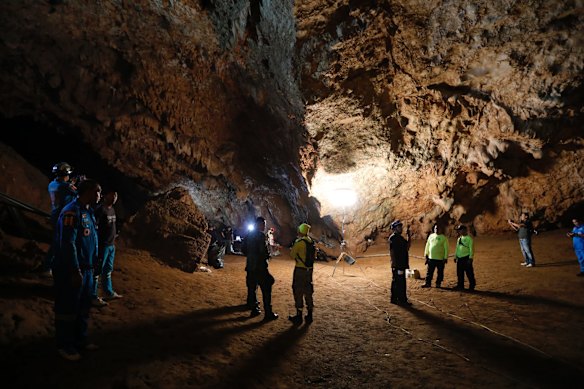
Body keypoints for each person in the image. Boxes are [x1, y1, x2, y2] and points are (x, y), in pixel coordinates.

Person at [53, 179, 101, 361]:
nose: (99, 195)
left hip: (87, 268)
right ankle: (64, 345)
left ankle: (80, 340)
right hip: (72, 269)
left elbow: (91, 240)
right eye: (97, 191)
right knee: (67, 308)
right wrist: (74, 269)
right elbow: (68, 243)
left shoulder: (88, 212)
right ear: (87, 191)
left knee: (83, 307)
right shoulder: (71, 212)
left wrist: (94, 262)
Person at [241, 217, 278, 321]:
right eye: (263, 224)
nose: (264, 226)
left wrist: (250, 256)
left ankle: (254, 309)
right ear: (260, 224)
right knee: (267, 287)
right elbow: (263, 252)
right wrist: (268, 256)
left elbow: (243, 249)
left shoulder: (249, 234)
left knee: (252, 288)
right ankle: (268, 313)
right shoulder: (260, 236)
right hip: (260, 267)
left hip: (250, 266)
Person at [44, 162, 77, 272]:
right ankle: (50, 266)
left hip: (55, 215)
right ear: (65, 174)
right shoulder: (66, 186)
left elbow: (64, 189)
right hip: (63, 217)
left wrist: (70, 183)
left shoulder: (52, 184)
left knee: (57, 241)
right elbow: (78, 193)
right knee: (62, 243)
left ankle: (50, 265)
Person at [91, 190, 122, 307]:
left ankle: (108, 292)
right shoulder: (100, 210)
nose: (114, 197)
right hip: (103, 245)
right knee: (97, 271)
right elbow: (95, 227)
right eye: (112, 194)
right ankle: (92, 296)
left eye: (116, 195)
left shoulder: (112, 209)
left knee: (108, 269)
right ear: (105, 195)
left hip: (111, 245)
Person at [288, 223, 315, 324]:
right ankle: (310, 314)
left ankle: (299, 316)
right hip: (309, 270)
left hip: (300, 269)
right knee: (308, 291)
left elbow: (292, 255)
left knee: (298, 290)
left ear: (300, 231)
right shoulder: (311, 242)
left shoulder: (299, 243)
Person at [388, 220, 411, 306]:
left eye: (401, 226)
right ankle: (397, 299)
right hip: (398, 265)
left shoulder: (400, 238)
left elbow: (407, 246)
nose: (401, 228)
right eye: (398, 227)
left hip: (402, 264)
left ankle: (399, 299)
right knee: (398, 282)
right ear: (394, 229)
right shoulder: (393, 238)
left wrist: (409, 235)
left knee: (401, 282)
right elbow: (393, 252)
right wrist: (395, 264)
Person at [422, 224, 449, 288]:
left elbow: (446, 248)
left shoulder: (443, 238)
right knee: (429, 272)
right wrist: (426, 254)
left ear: (441, 229)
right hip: (431, 258)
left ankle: (438, 283)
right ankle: (427, 283)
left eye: (438, 228)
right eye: (435, 228)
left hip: (440, 259)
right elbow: (427, 245)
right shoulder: (431, 236)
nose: (436, 230)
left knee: (440, 272)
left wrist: (445, 257)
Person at [454, 225, 476, 291]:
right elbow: (457, 248)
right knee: (460, 273)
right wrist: (456, 256)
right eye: (459, 230)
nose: (460, 231)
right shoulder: (459, 239)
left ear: (465, 230)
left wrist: (470, 258)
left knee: (469, 273)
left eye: (461, 230)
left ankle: (472, 286)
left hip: (466, 258)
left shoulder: (469, 239)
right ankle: (460, 285)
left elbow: (471, 249)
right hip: (460, 258)